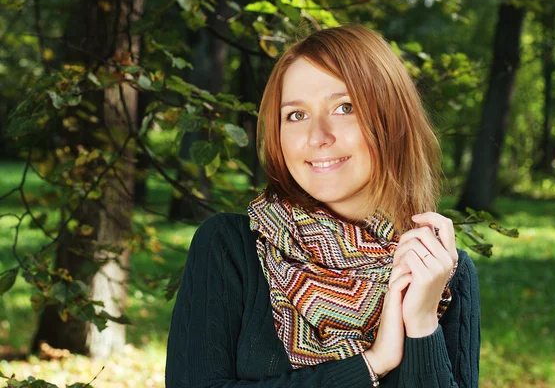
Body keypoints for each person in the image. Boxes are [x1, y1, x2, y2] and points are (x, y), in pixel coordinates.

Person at [165, 24, 480, 387]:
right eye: (296, 115)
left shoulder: (441, 270)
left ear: (392, 120)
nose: (317, 137)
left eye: (345, 107)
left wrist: (423, 323)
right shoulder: (230, 248)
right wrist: (370, 365)